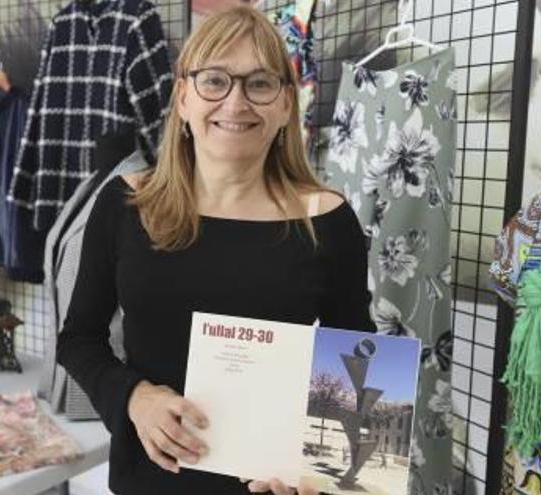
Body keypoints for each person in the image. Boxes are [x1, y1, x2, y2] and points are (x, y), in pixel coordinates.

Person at [56, 6, 374, 495]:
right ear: (183, 97)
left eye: (260, 83)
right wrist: (134, 398)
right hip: (150, 482)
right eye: (214, 81)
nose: (236, 102)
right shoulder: (125, 204)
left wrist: (321, 469)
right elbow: (78, 338)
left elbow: (360, 364)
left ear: (287, 104)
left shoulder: (326, 220)